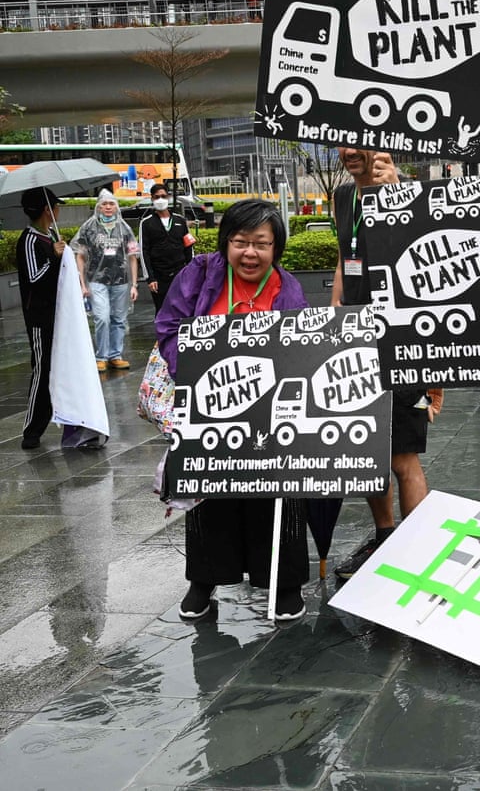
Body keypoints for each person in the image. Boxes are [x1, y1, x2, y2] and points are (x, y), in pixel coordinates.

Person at [156, 199, 309, 621]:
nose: (250, 253)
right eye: (241, 242)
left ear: (276, 247)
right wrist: (192, 369)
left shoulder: (288, 288)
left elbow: (302, 346)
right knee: (210, 493)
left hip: (268, 410)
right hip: (209, 404)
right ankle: (202, 582)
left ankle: (284, 583)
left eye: (261, 243)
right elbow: (169, 327)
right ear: (226, 243)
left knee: (276, 494)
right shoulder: (199, 274)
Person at [329, 147, 443, 579]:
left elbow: (429, 257)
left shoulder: (409, 192)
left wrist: (396, 197)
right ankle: (385, 537)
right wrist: (336, 310)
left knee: (403, 458)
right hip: (356, 340)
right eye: (343, 142)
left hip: (402, 337)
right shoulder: (343, 197)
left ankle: (417, 552)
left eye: (359, 142)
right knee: (367, 453)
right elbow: (344, 256)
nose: (349, 151)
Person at [17, 188, 66, 450]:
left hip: (58, 313)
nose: (58, 210)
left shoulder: (51, 236)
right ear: (48, 210)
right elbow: (34, 279)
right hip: (39, 317)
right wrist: (54, 258)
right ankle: (32, 429)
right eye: (56, 206)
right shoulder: (29, 240)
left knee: (58, 368)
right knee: (42, 368)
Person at [73, 190, 138, 372]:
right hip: (97, 280)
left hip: (121, 281)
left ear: (116, 207)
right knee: (102, 318)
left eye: (111, 204)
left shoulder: (124, 228)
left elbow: (133, 256)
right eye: (104, 204)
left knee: (118, 319)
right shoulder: (89, 227)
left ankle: (115, 355)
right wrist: (82, 283)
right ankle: (101, 356)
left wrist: (134, 284)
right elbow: (80, 254)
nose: (108, 207)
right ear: (98, 207)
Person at [139, 183, 195, 312]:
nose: (160, 200)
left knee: (183, 309)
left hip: (180, 273)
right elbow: (143, 252)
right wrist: (150, 278)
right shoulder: (146, 223)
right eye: (157, 197)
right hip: (159, 276)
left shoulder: (180, 221)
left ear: (168, 197)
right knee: (162, 310)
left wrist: (191, 272)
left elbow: (189, 247)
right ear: (152, 199)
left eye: (163, 196)